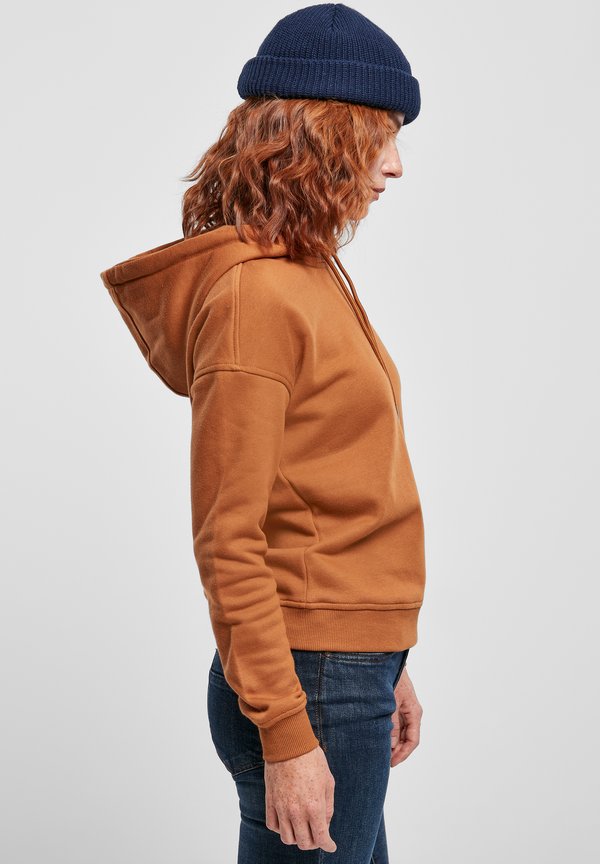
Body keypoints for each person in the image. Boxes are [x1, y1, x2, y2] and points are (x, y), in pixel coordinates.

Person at [100, 3, 426, 861]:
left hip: (343, 670)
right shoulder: (256, 297)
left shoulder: (310, 272)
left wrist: (387, 658)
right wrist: (287, 730)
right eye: (382, 136)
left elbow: (329, 487)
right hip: (309, 682)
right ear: (321, 137)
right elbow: (229, 537)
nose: (396, 165)